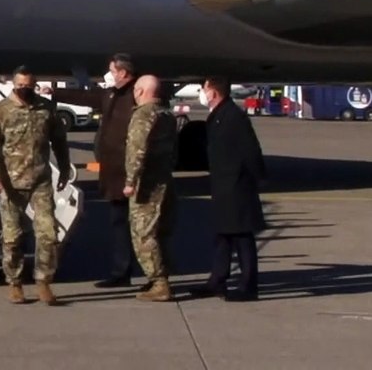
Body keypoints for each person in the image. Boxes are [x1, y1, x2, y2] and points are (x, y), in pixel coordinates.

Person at [41, 52, 140, 288]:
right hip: (115, 175)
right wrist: (54, 92)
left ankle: (153, 276)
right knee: (120, 224)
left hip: (131, 173)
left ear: (123, 73)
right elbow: (87, 97)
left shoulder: (136, 96)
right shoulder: (112, 94)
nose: (109, 75)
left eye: (113, 71)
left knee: (141, 228)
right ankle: (122, 272)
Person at [0, 66, 72, 306]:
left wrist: (64, 168)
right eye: (20, 85)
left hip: (40, 181)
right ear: (13, 84)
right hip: (11, 184)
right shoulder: (1, 110)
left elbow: (59, 141)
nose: (24, 89)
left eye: (29, 86)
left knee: (48, 234)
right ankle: (14, 283)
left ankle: (43, 280)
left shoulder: (46, 108)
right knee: (12, 237)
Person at [192, 77, 266, 302]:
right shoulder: (218, 115)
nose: (202, 92)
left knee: (242, 236)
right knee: (222, 235)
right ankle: (217, 280)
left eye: (204, 88)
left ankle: (248, 286)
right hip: (223, 185)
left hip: (237, 186)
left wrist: (257, 179)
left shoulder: (234, 117)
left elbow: (251, 151)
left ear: (214, 93)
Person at [122, 75, 179, 301]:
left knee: (143, 234)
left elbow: (137, 151)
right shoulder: (166, 114)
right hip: (164, 180)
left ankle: (159, 282)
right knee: (160, 232)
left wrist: (130, 182)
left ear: (141, 91)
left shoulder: (143, 115)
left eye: (136, 89)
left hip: (146, 185)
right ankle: (159, 277)